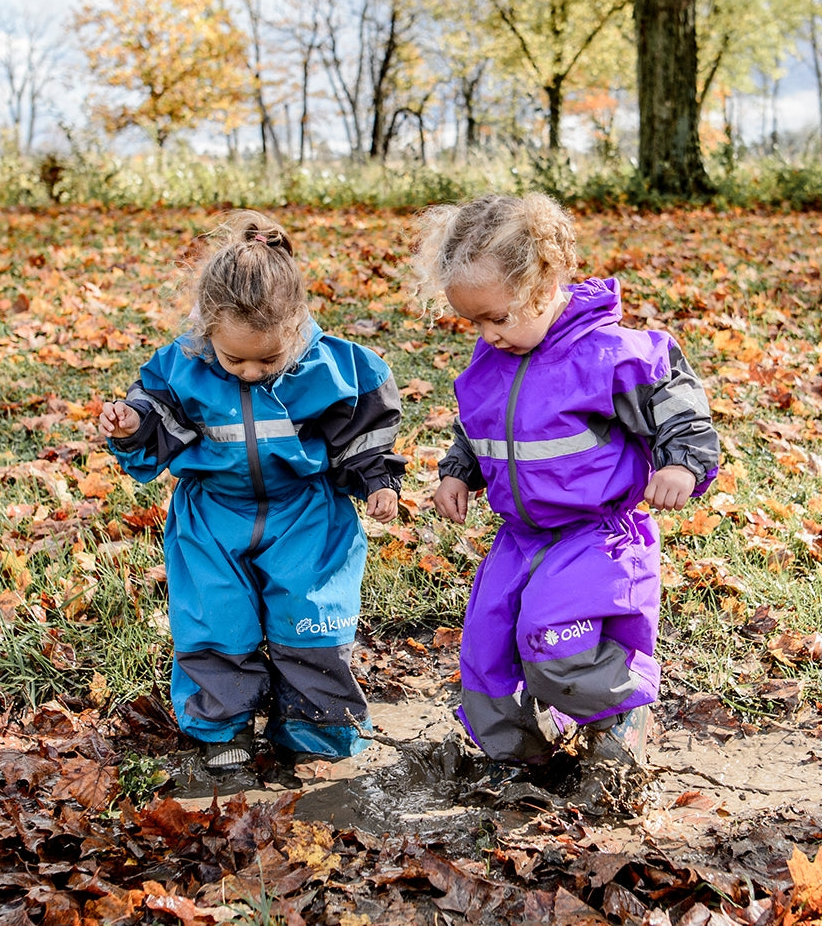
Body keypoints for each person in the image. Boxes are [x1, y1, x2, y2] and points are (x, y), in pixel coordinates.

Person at [412, 193, 719, 767]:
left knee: (555, 641)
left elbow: (677, 400)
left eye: (497, 316)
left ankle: (618, 717)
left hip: (594, 534)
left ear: (546, 281)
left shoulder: (609, 355)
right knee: (486, 647)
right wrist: (459, 472)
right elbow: (480, 425)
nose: (487, 333)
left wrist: (681, 463)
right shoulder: (489, 360)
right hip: (520, 537)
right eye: (473, 320)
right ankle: (520, 762)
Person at [101, 210, 405, 772]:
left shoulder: (333, 367)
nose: (248, 372)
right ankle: (223, 729)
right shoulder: (182, 367)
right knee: (216, 622)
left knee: (312, 620)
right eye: (232, 357)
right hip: (213, 518)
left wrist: (378, 480)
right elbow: (158, 414)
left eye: (268, 358)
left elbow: (362, 428)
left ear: (296, 325)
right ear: (208, 330)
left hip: (306, 516)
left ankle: (316, 729)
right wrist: (132, 423)